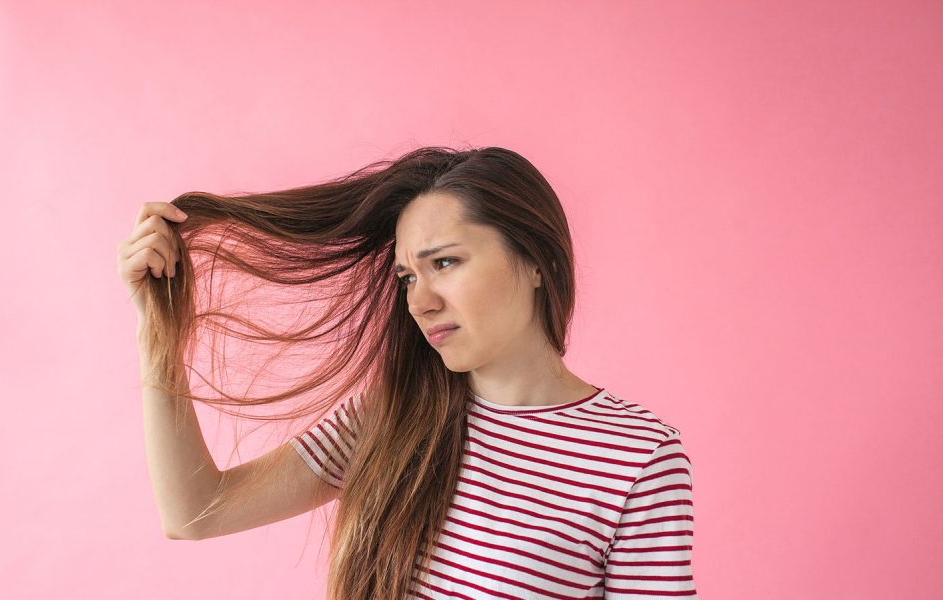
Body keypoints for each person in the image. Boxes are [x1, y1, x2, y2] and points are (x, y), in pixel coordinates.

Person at [117, 146, 697, 599]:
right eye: (407, 277)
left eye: (444, 263)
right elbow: (195, 511)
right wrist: (157, 329)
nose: (420, 302)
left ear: (536, 258)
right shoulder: (390, 417)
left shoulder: (637, 458)